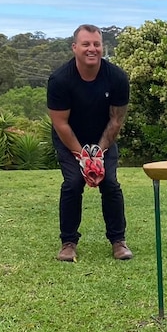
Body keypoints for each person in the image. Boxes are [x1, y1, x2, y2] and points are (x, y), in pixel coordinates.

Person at [47, 24, 133, 262]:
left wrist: (98, 152)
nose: (92, 49)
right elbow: (61, 124)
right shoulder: (60, 80)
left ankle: (118, 241)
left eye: (96, 44)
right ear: (75, 47)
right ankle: (68, 243)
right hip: (70, 137)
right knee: (73, 183)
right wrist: (83, 157)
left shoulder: (116, 77)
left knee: (110, 183)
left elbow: (116, 120)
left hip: (103, 137)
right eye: (86, 44)